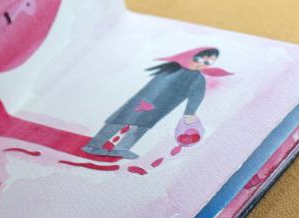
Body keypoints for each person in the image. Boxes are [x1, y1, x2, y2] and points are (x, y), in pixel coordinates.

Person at [81, 47, 231, 160]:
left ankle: (121, 148)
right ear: (190, 56)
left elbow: (196, 96)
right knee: (119, 121)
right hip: (141, 101)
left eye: (206, 63)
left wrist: (189, 113)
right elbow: (153, 86)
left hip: (159, 108)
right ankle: (93, 145)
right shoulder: (171, 69)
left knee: (142, 127)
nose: (199, 64)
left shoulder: (197, 79)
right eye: (197, 59)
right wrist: (144, 101)